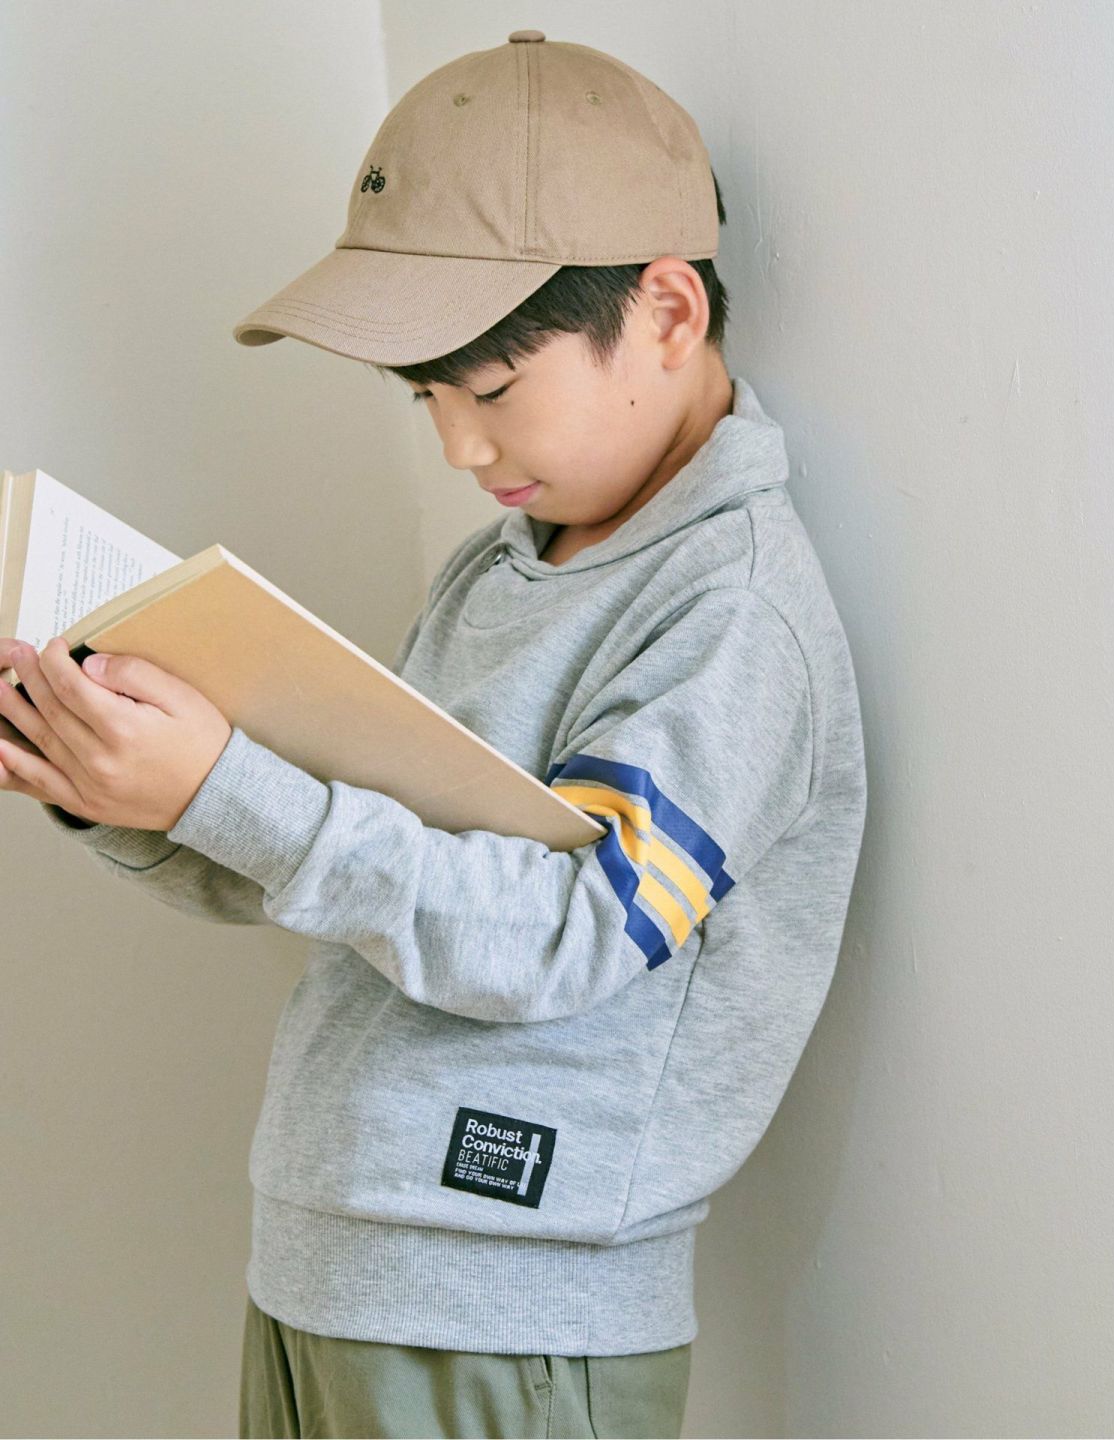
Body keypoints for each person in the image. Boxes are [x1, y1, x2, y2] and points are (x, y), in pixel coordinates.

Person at [0, 30, 867, 1440]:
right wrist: (124, 783)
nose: (460, 448)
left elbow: (567, 936)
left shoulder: (734, 616)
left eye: (493, 390)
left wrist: (228, 786)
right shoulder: (503, 570)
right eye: (426, 396)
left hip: (508, 1305)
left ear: (666, 312)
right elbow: (352, 874)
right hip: (332, 1259)